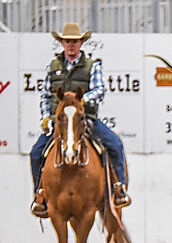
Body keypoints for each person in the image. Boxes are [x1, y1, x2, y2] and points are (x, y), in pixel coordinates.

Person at [29, 23, 130, 218]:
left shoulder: (92, 66)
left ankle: (119, 188)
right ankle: (39, 195)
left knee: (115, 144)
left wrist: (80, 101)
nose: (71, 45)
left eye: (75, 41)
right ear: (62, 43)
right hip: (59, 121)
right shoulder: (52, 67)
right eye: (67, 41)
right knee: (35, 153)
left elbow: (100, 90)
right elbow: (46, 95)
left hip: (85, 118)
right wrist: (46, 118)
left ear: (81, 43)